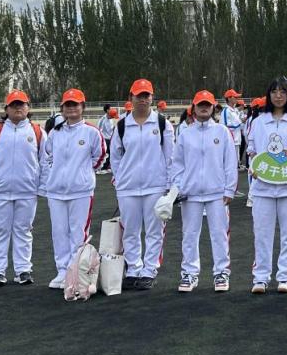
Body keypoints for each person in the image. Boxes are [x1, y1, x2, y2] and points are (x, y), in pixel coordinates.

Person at [0, 90, 45, 287]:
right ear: (6, 109)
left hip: (27, 191)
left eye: (21, 104)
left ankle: (23, 270)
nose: (18, 108)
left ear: (28, 107)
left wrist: (41, 187)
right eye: (14, 105)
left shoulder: (38, 132)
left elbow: (46, 161)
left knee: (24, 230)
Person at [109, 79, 174, 291]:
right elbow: (115, 156)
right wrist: (120, 179)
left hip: (155, 186)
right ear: (131, 98)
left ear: (152, 98)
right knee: (130, 231)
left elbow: (170, 157)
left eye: (146, 95)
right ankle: (133, 268)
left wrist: (168, 185)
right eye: (139, 96)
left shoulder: (162, 124)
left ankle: (149, 270)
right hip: (128, 188)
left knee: (154, 230)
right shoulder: (121, 125)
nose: (143, 99)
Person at [39, 88, 106, 289]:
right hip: (56, 191)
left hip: (81, 191)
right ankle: (62, 271)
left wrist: (83, 173)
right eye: (67, 105)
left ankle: (75, 272)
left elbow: (100, 156)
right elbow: (48, 155)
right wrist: (56, 175)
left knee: (78, 233)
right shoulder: (55, 132)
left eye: (75, 104)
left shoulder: (91, 132)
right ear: (62, 108)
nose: (71, 108)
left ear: (82, 107)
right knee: (59, 232)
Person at [247, 78, 287, 294]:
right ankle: (260, 277)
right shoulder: (259, 122)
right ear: (269, 95)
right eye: (274, 91)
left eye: (283, 91)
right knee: (262, 234)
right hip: (263, 188)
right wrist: (253, 165)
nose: (278, 95)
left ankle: (284, 276)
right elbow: (252, 149)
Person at [172, 90, 237, 294]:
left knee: (219, 234)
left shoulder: (222, 132)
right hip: (190, 194)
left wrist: (229, 189)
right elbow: (177, 163)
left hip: (217, 193)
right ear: (194, 107)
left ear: (213, 108)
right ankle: (189, 273)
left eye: (207, 104)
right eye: (200, 104)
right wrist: (178, 187)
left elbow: (230, 162)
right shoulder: (185, 133)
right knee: (189, 235)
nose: (204, 108)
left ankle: (221, 272)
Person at [95, 106, 117, 174]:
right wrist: (100, 140)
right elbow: (98, 129)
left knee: (110, 153)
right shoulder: (102, 120)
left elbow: (110, 129)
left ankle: (107, 167)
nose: (113, 118)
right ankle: (101, 168)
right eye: (113, 116)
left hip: (110, 138)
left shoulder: (110, 120)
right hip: (105, 139)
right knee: (106, 154)